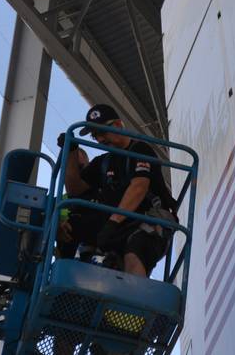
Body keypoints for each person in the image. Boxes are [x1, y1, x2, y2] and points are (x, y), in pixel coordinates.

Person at [63, 103, 178, 277]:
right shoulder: (103, 162)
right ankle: (64, 279)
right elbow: (74, 190)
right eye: (95, 136)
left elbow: (139, 187)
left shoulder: (140, 150)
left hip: (149, 220)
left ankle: (133, 293)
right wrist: (71, 152)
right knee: (68, 227)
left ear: (117, 125)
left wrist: (112, 222)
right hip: (118, 224)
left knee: (135, 251)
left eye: (102, 132)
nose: (100, 139)